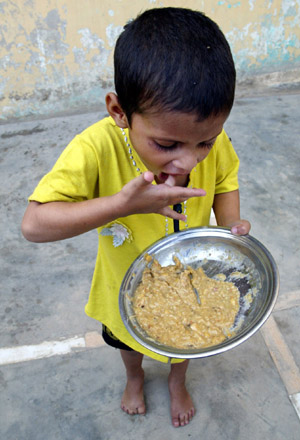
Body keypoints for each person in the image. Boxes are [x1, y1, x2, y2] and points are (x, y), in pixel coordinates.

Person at [22, 7, 251, 428]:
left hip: (190, 281)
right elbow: (34, 224)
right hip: (122, 282)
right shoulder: (95, 149)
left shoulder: (208, 143)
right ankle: (134, 377)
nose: (188, 161)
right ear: (119, 111)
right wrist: (122, 205)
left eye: (205, 142)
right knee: (126, 341)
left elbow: (226, 178)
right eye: (167, 144)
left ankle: (177, 381)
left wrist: (229, 225)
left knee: (185, 340)